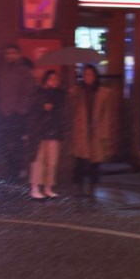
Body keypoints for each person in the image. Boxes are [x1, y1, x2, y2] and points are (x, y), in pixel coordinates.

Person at [70, 64, 117, 197]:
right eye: (85, 74)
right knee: (80, 161)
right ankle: (79, 187)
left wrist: (105, 133)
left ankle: (92, 188)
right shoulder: (78, 91)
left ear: (95, 76)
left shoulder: (103, 93)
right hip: (81, 131)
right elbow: (72, 111)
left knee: (95, 163)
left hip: (96, 131)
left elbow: (107, 115)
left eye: (90, 74)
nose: (88, 77)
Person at [0, 44, 36, 180]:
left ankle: (17, 171)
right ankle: (11, 170)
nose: (9, 56)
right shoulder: (3, 69)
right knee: (4, 143)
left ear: (18, 54)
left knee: (16, 144)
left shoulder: (24, 70)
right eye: (7, 53)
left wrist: (18, 110)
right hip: (3, 113)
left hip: (17, 114)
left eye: (12, 53)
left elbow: (28, 92)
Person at [27, 70, 66, 200]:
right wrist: (43, 106)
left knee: (52, 162)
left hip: (54, 132)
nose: (54, 81)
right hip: (40, 132)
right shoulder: (39, 93)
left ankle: (48, 188)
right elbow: (33, 110)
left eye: (56, 79)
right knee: (39, 161)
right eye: (51, 79)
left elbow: (61, 112)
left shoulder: (60, 95)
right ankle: (35, 188)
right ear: (46, 80)